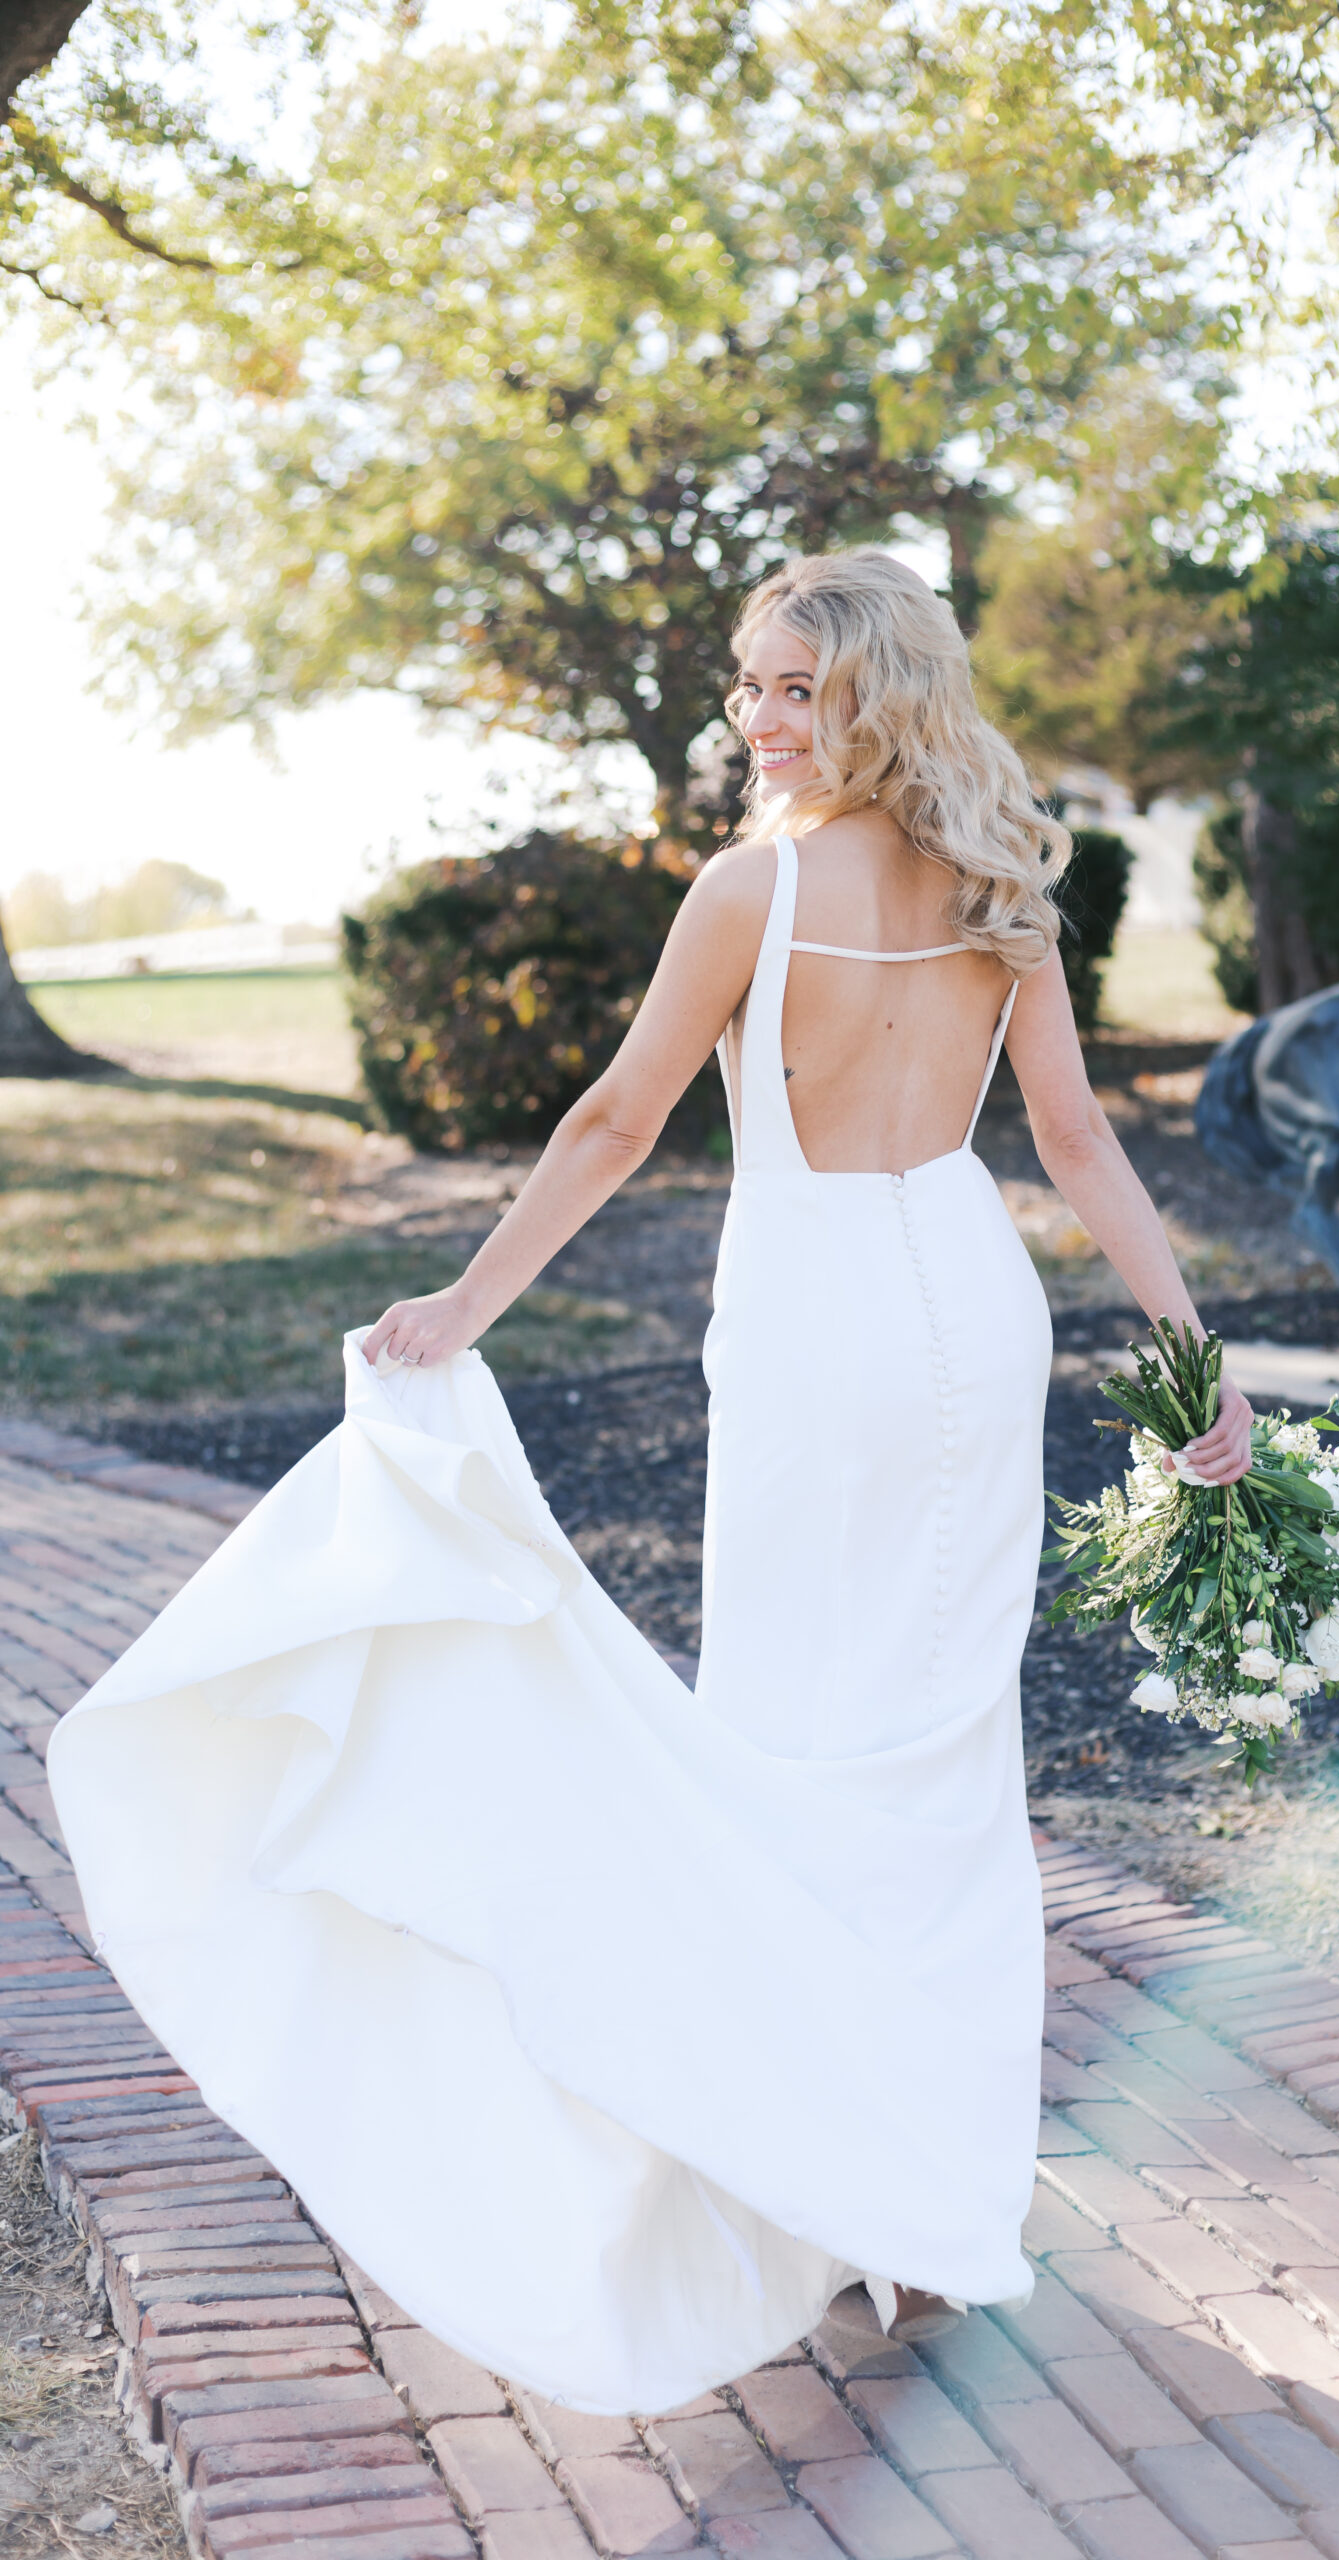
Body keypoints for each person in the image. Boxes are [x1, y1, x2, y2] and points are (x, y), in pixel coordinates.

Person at [48, 549, 1251, 2417]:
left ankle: (824, 2187)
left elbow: (618, 1121)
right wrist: (1187, 1354)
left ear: (874, 694)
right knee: (936, 1759)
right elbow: (1074, 1145)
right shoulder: (1007, 881)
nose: (753, 718)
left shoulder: (754, 889)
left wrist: (463, 1301)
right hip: (970, 1303)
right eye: (745, 684)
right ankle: (924, 2209)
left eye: (791, 688)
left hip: (817, 1320)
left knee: (789, 1746)